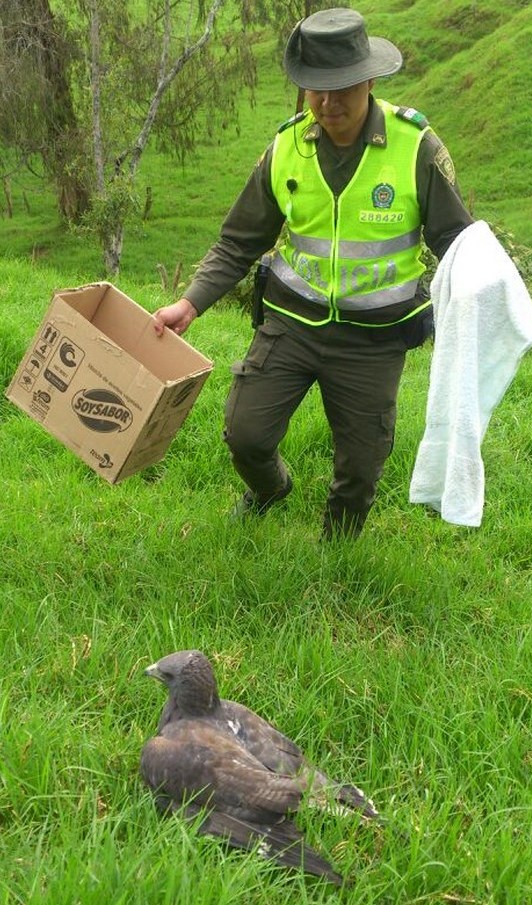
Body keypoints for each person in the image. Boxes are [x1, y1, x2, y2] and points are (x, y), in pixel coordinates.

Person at [153, 7, 473, 539]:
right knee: (246, 435)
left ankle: (337, 547)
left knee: (361, 464)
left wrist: (481, 314)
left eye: (341, 88)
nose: (327, 103)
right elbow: (239, 239)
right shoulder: (287, 147)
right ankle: (270, 489)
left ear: (369, 79)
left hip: (374, 339)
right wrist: (189, 303)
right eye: (314, 89)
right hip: (291, 324)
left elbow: (457, 246)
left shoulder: (416, 147)